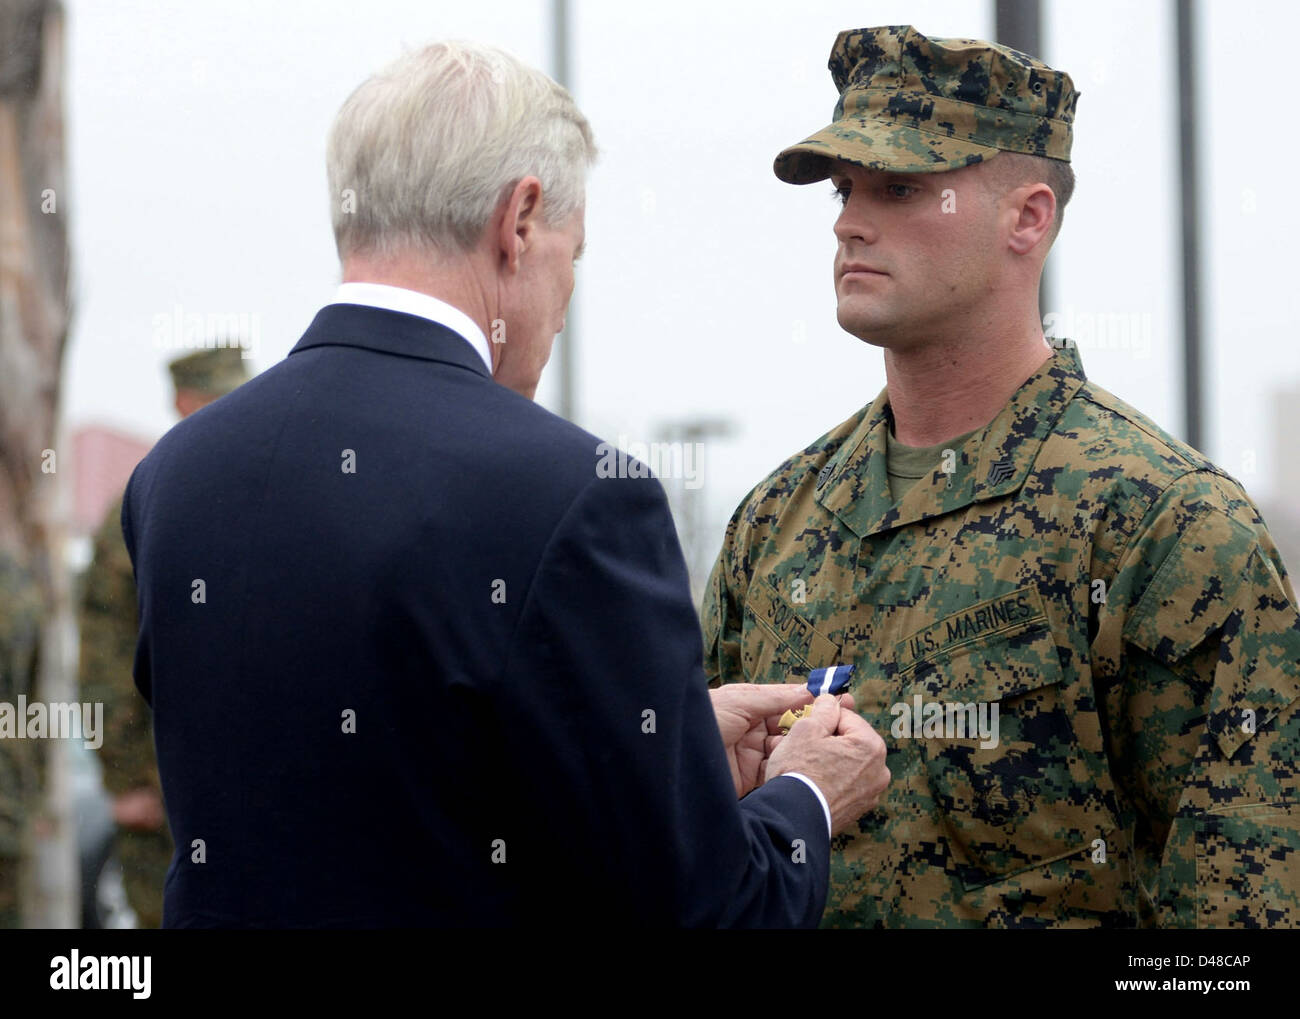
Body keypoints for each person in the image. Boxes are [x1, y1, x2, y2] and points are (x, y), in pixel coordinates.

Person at [121, 40, 890, 928]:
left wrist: (654, 746)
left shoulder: (174, 475)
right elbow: (707, 912)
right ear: (520, 219)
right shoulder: (575, 493)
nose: (564, 300)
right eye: (576, 254)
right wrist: (806, 800)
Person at [702, 25, 1300, 928]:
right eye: (845, 189)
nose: (847, 220)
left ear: (1028, 217)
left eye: (901, 187)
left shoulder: (1163, 527)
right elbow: (684, 875)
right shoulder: (777, 523)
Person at [78, 346, 249, 928]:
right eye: (216, 399)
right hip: (164, 785)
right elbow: (104, 651)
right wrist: (124, 777)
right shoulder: (146, 499)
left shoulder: (264, 498)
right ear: (183, 403)